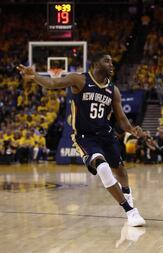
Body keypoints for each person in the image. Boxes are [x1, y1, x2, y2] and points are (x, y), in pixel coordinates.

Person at [17, 53, 146, 226]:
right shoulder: (79, 80)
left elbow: (121, 119)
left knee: (121, 171)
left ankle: (127, 195)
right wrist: (35, 76)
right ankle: (130, 211)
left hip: (106, 135)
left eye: (112, 62)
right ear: (96, 64)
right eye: (107, 61)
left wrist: (132, 129)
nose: (111, 64)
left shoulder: (113, 90)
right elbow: (53, 83)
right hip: (85, 137)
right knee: (103, 168)